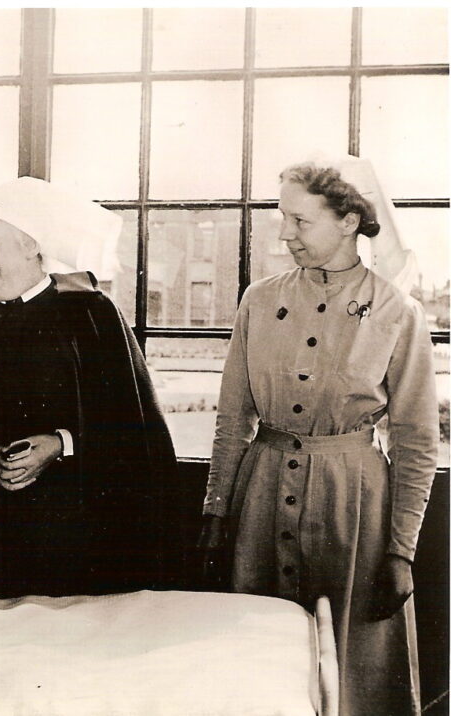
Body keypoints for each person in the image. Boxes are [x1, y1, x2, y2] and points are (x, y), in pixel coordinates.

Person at [199, 157, 439, 716]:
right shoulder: (259, 300)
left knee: (350, 673)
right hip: (260, 505)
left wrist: (400, 551)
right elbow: (233, 420)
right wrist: (216, 513)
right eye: (283, 218)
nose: (285, 234)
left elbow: (416, 441)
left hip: (353, 511)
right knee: (256, 666)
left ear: (349, 220)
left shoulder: (397, 313)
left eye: (300, 221)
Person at [0, 177, 177, 598]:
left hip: (74, 549)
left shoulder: (91, 314)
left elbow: (138, 434)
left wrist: (62, 444)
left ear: (32, 245)